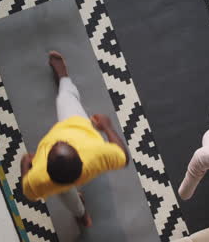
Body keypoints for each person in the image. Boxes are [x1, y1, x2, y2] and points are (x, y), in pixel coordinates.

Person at [20, 51, 129, 227]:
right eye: (64, 144)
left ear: (47, 167)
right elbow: (124, 157)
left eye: (56, 144)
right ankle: (64, 79)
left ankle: (82, 215)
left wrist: (26, 162)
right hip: (75, 123)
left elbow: (28, 191)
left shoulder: (40, 178)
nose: (59, 140)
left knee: (70, 201)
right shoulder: (97, 155)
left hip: (58, 181)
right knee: (66, 97)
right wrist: (107, 126)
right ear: (79, 156)